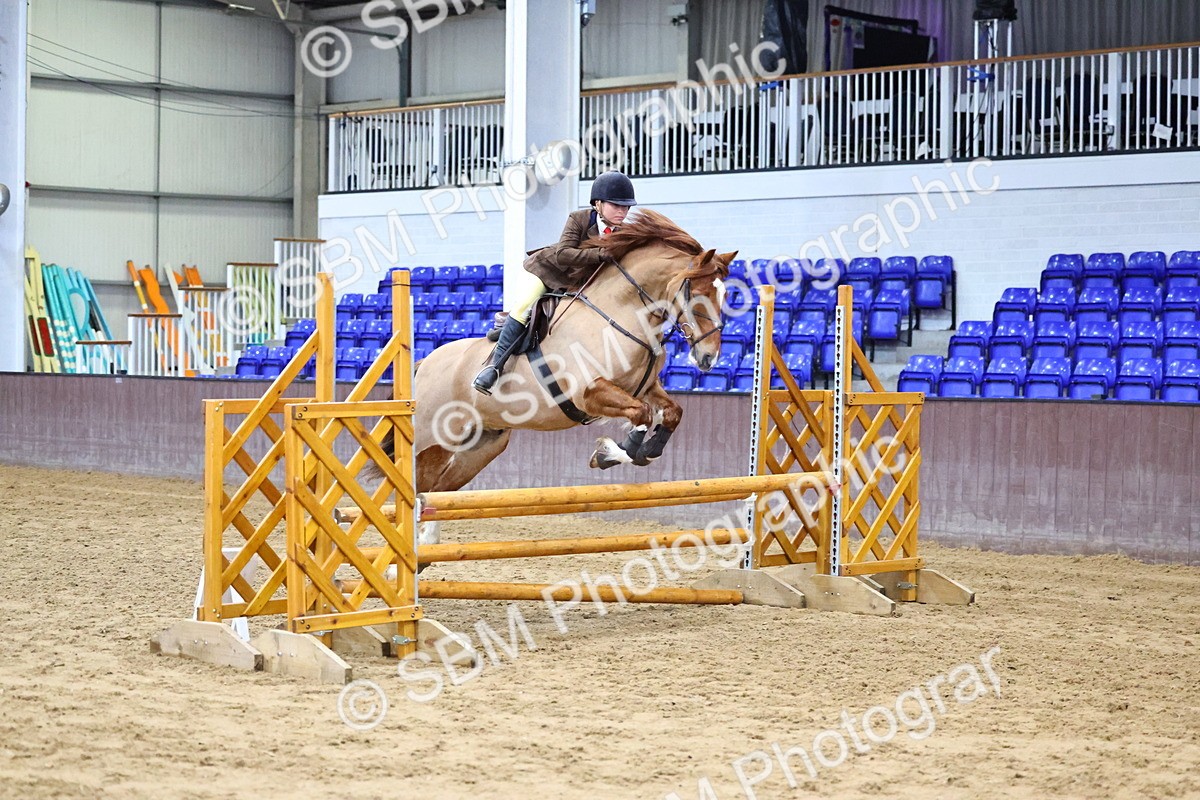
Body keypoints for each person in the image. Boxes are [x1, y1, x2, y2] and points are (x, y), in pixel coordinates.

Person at [472, 170, 637, 395]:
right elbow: (563, 253)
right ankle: (493, 368)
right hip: (548, 270)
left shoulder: (626, 232)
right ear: (598, 203)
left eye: (626, 207)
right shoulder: (579, 219)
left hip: (578, 282)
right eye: (616, 205)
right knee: (524, 307)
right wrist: (599, 254)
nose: (622, 211)